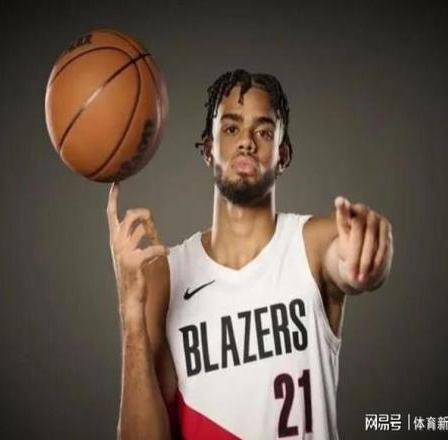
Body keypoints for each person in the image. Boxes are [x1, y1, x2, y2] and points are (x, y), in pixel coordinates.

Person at [107, 69, 394, 440]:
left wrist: (369, 254)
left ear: (282, 156)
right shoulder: (165, 275)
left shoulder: (312, 244)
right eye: (231, 128)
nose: (246, 142)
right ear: (208, 150)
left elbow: (349, 257)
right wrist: (131, 316)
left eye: (264, 132)